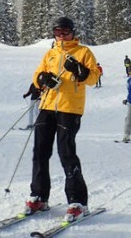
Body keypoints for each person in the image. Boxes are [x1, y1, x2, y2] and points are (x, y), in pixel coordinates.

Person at [25, 16, 99, 223]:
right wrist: (41, 79)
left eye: (65, 32)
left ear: (73, 32)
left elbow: (93, 77)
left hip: (70, 108)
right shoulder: (50, 53)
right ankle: (39, 196)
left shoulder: (83, 52)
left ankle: (77, 202)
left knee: (66, 153)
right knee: (40, 151)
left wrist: (79, 70)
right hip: (48, 106)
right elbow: (38, 74)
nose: (61, 36)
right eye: (57, 32)